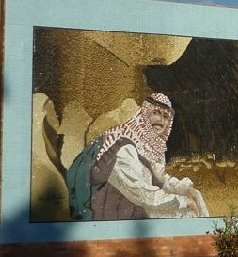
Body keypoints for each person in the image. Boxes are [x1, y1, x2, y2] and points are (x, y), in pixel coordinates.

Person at [88, 92, 209, 220]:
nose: (161, 121)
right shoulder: (123, 144)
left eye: (165, 116)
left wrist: (184, 190)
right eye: (156, 113)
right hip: (113, 213)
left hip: (137, 204)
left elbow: (159, 178)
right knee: (185, 213)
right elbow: (141, 192)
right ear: (145, 113)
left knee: (194, 199)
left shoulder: (150, 145)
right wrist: (182, 201)